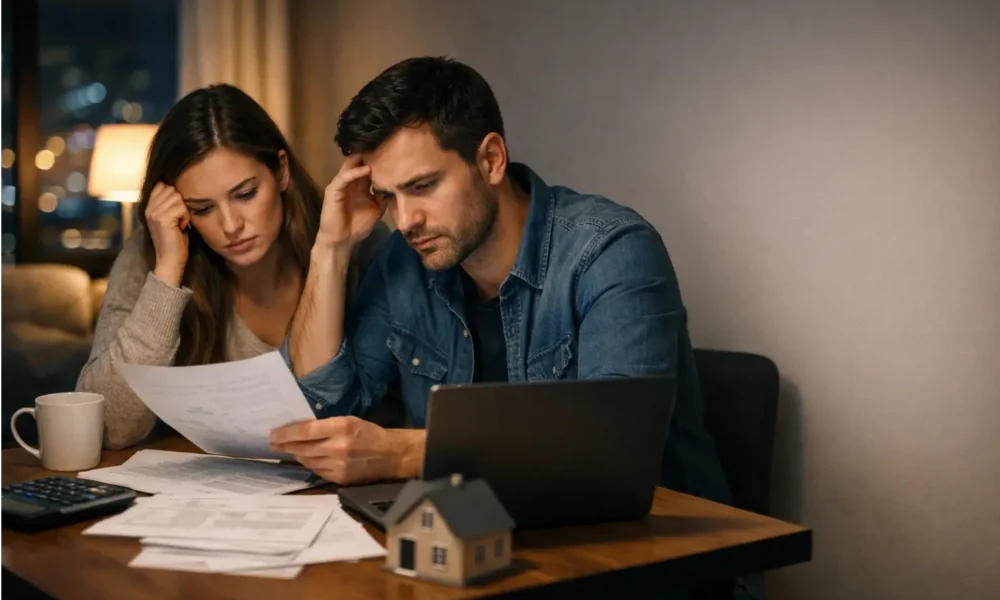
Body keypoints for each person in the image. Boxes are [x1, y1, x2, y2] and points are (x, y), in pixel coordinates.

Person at [269, 56, 732, 506]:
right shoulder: (403, 261)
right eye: (388, 196)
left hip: (648, 557)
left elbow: (615, 450)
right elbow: (318, 408)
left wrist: (407, 453)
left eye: (423, 186)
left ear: (491, 159)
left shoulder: (611, 253)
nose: (406, 220)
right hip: (477, 537)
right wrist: (330, 249)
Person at [76, 83, 389, 450]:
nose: (230, 226)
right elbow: (112, 427)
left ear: (282, 170)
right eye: (202, 208)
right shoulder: (153, 254)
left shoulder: (355, 237)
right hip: (198, 497)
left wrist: (330, 253)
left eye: (245, 194)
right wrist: (167, 273)